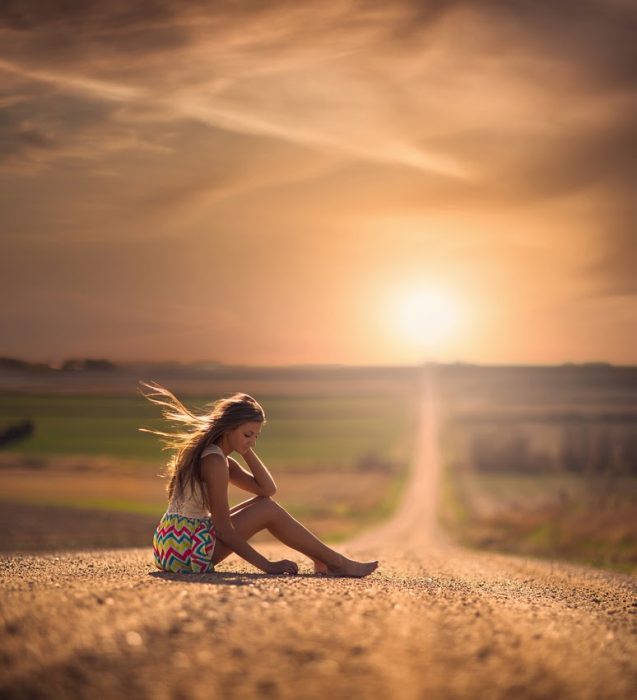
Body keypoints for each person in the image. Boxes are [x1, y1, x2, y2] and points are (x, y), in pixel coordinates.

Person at [140, 382, 379, 578]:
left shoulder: (215, 457)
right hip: (187, 550)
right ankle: (337, 563)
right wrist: (268, 566)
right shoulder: (214, 462)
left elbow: (267, 490)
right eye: (247, 434)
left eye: (256, 436)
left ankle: (324, 559)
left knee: (264, 505)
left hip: (170, 544)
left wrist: (245, 448)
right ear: (227, 429)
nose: (252, 441)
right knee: (267, 510)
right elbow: (224, 528)